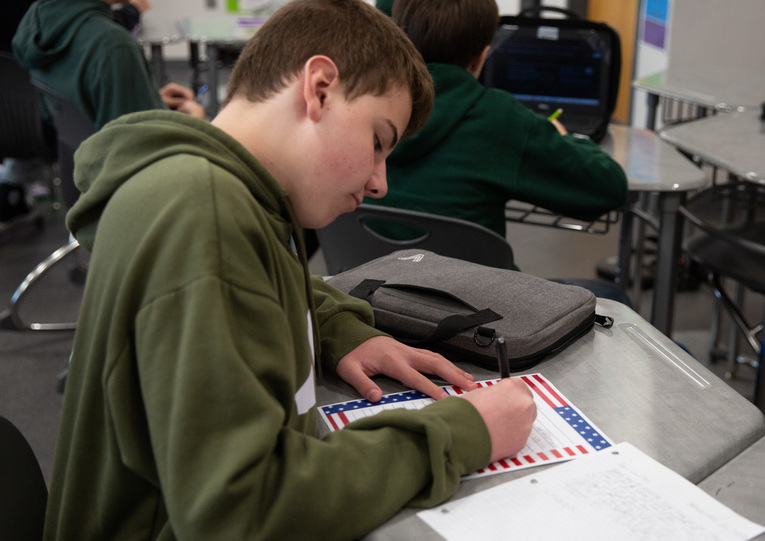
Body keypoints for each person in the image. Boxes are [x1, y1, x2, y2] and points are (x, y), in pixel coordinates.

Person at [43, 0, 537, 539]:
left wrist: (338, 329)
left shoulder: (229, 192)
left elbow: (259, 280)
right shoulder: (205, 215)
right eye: (377, 141)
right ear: (320, 87)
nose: (380, 182)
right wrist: (460, 434)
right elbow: (241, 513)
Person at [372, 0, 628, 239]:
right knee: (608, 291)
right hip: (468, 288)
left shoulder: (365, 106)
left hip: (365, 282)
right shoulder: (499, 117)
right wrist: (561, 136)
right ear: (482, 57)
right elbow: (610, 189)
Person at [12, 0, 205, 132]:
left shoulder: (40, 19)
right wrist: (194, 123)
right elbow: (143, 148)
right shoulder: (113, 45)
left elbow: (86, 106)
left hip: (78, 169)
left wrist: (147, 96)